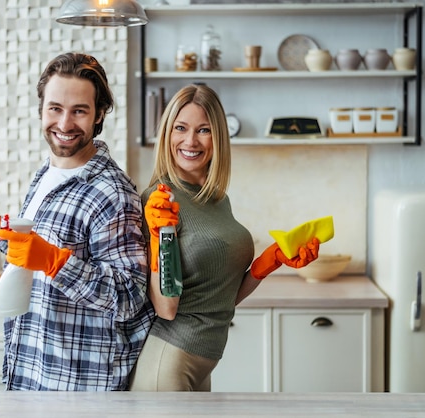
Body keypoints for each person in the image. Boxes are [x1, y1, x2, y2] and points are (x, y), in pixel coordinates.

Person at [0, 52, 154, 391]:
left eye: (79, 111)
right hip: (33, 375)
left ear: (99, 114)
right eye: (55, 108)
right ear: (41, 109)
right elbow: (33, 249)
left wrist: (54, 262)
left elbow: (129, 296)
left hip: (78, 390)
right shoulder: (47, 172)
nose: (64, 123)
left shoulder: (112, 193)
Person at [128, 84, 320, 391]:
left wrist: (267, 263)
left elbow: (219, 299)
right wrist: (159, 240)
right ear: (167, 134)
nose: (191, 141)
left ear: (218, 138)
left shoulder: (217, 198)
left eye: (203, 130)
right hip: (168, 362)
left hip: (203, 361)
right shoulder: (160, 201)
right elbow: (166, 308)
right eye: (181, 128)